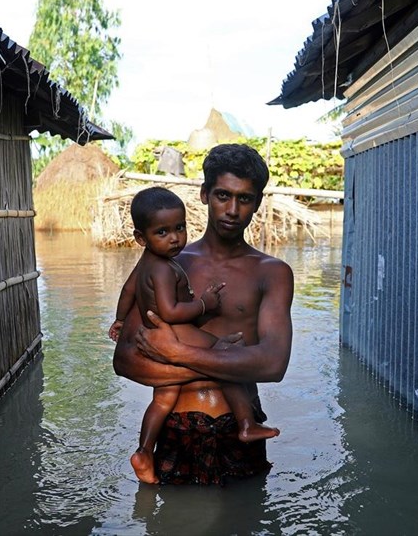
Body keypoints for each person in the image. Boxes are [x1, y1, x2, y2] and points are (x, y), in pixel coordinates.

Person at [113, 144, 294, 486]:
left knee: (246, 518)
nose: (232, 209)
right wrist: (229, 363)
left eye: (245, 199)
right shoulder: (166, 265)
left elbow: (273, 364)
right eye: (223, 195)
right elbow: (125, 360)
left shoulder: (273, 273)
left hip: (240, 427)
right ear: (204, 194)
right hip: (176, 425)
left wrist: (177, 353)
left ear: (257, 203)